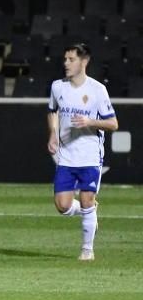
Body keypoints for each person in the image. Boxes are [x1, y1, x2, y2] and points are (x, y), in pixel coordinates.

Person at [47, 43, 118, 262]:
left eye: (71, 59)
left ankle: (87, 250)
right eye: (65, 59)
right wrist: (53, 133)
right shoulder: (58, 87)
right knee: (63, 206)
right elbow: (52, 111)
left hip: (90, 156)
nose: (66, 63)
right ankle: (89, 212)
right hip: (67, 156)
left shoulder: (97, 90)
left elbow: (113, 124)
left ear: (83, 62)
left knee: (87, 199)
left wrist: (90, 121)